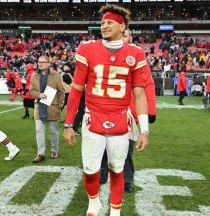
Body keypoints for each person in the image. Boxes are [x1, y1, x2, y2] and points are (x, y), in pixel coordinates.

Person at [63, 4, 149, 216]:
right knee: (91, 170)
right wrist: (68, 123)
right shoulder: (87, 48)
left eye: (109, 22)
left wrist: (144, 129)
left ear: (122, 26)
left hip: (121, 119)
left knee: (117, 168)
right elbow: (76, 90)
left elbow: (139, 93)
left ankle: (115, 211)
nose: (104, 25)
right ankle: (94, 203)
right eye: (102, 22)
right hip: (93, 117)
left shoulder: (135, 53)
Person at [100, 28, 156, 193]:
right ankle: (102, 174)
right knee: (102, 147)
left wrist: (150, 111)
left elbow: (148, 85)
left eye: (125, 35)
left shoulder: (137, 58)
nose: (121, 38)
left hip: (128, 112)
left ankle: (127, 179)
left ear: (130, 38)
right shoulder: (103, 55)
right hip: (105, 110)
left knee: (127, 149)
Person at [29, 55, 65, 162]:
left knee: (53, 131)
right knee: (39, 131)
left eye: (43, 62)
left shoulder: (56, 75)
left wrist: (59, 106)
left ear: (48, 63)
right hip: (39, 106)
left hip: (52, 107)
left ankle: (54, 150)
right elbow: (31, 91)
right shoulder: (35, 75)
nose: (40, 64)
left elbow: (61, 92)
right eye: (39, 62)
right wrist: (39, 94)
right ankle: (41, 154)